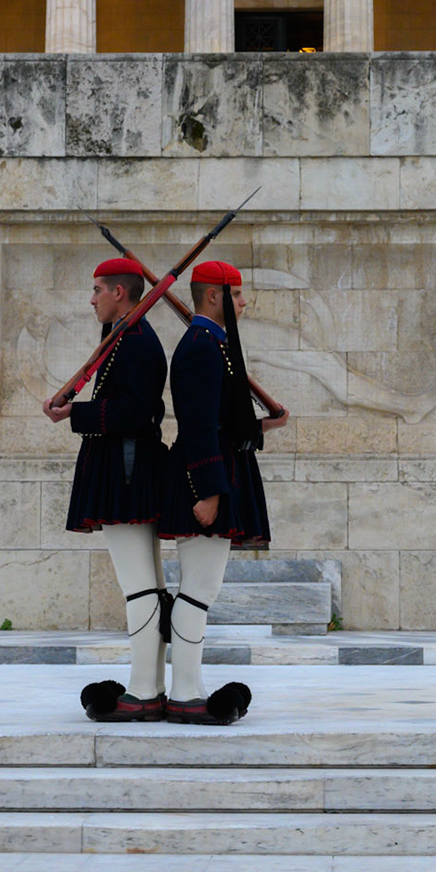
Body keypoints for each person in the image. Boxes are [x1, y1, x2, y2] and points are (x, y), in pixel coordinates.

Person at [157, 259, 285, 725]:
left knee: (201, 587)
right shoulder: (200, 347)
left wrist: (264, 423)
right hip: (204, 478)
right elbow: (196, 425)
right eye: (236, 294)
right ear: (214, 296)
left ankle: (188, 686)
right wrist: (209, 491)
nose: (244, 302)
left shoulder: (213, 344)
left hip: (216, 471)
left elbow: (225, 417)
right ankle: (185, 691)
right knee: (198, 588)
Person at [44, 257, 170, 722]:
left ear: (120, 292)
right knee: (145, 586)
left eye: (98, 289)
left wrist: (73, 414)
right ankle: (150, 686)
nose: (91, 297)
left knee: (139, 587)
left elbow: (133, 413)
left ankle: (141, 691)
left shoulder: (136, 341)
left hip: (127, 470)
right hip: (124, 466)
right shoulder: (124, 336)